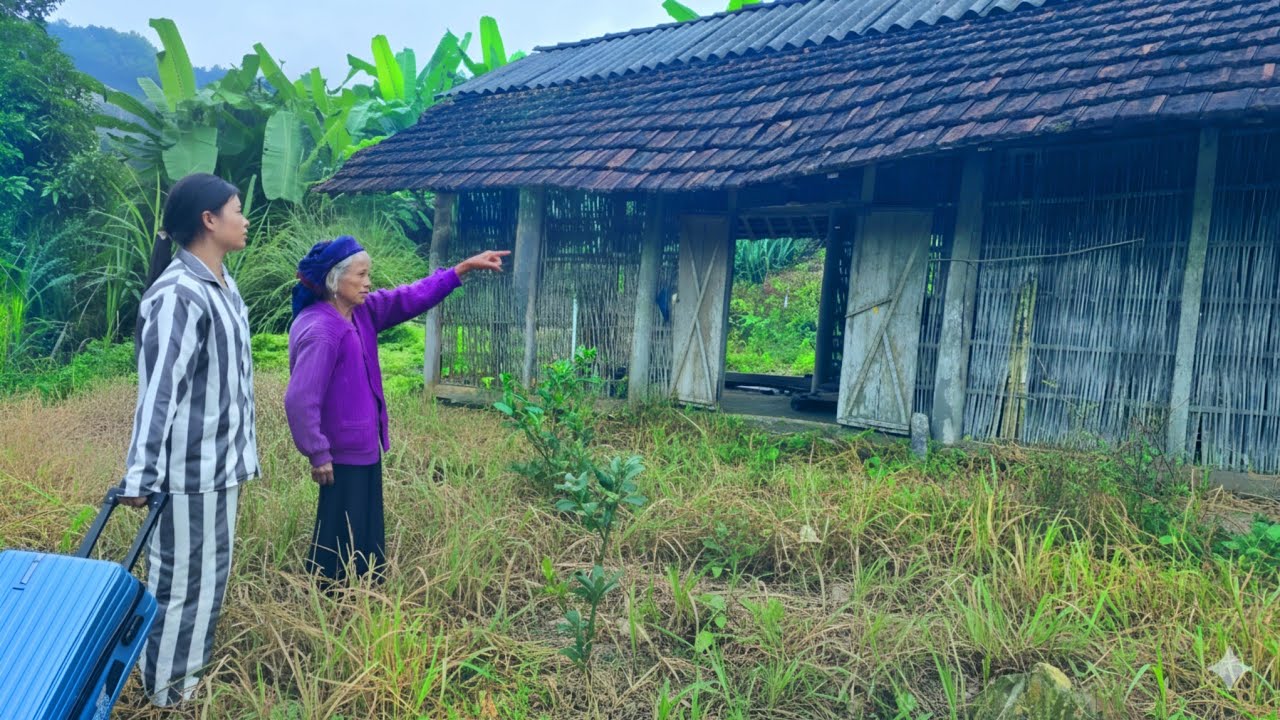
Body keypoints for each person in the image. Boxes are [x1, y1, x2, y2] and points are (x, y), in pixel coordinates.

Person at [283, 236, 507, 584]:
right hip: (341, 451)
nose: (368, 282)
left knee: (363, 521)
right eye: (360, 275)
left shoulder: (361, 311)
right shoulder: (322, 329)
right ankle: (331, 592)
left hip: (363, 443)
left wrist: (461, 270)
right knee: (341, 526)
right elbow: (299, 398)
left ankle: (364, 588)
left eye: (368, 274)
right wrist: (317, 452)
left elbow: (410, 296)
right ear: (334, 280)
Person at [117, 173, 258, 706]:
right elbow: (159, 393)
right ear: (209, 220)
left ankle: (187, 682)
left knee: (209, 583)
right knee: (178, 585)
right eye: (236, 210)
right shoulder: (178, 294)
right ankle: (167, 695)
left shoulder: (222, 284)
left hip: (224, 468)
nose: (244, 220)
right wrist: (141, 475)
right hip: (188, 473)